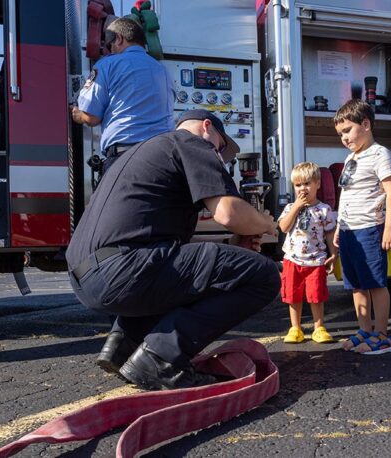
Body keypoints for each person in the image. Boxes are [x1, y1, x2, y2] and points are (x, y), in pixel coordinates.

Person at [65, 109, 280, 390]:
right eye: (222, 148)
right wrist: (264, 223)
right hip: (123, 271)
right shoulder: (192, 143)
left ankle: (124, 345)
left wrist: (233, 247)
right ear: (207, 127)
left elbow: (167, 252)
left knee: (199, 271)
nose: (219, 158)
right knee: (264, 276)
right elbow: (228, 213)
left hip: (87, 277)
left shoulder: (140, 153)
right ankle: (161, 358)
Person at [332, 99, 391, 355]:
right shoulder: (351, 158)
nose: (344, 138)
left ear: (366, 124)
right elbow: (347, 195)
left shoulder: (379, 154)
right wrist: (340, 226)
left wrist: (390, 228)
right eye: (340, 134)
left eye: (347, 130)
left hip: (370, 229)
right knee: (356, 284)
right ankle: (365, 329)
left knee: (374, 283)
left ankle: (381, 334)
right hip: (349, 230)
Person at [71, 17, 174, 173]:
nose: (109, 50)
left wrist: (77, 114)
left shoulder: (108, 64)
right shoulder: (163, 70)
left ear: (118, 38)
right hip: (165, 161)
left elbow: (91, 117)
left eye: (109, 45)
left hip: (126, 160)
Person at [278, 162, 338, 344]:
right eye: (298, 185)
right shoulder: (290, 208)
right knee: (293, 295)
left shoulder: (324, 210)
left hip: (316, 260)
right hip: (292, 260)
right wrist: (296, 207)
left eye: (307, 184)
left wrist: (334, 255)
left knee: (316, 295)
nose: (302, 189)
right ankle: (295, 328)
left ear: (317, 184)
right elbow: (283, 227)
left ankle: (318, 327)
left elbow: (329, 233)